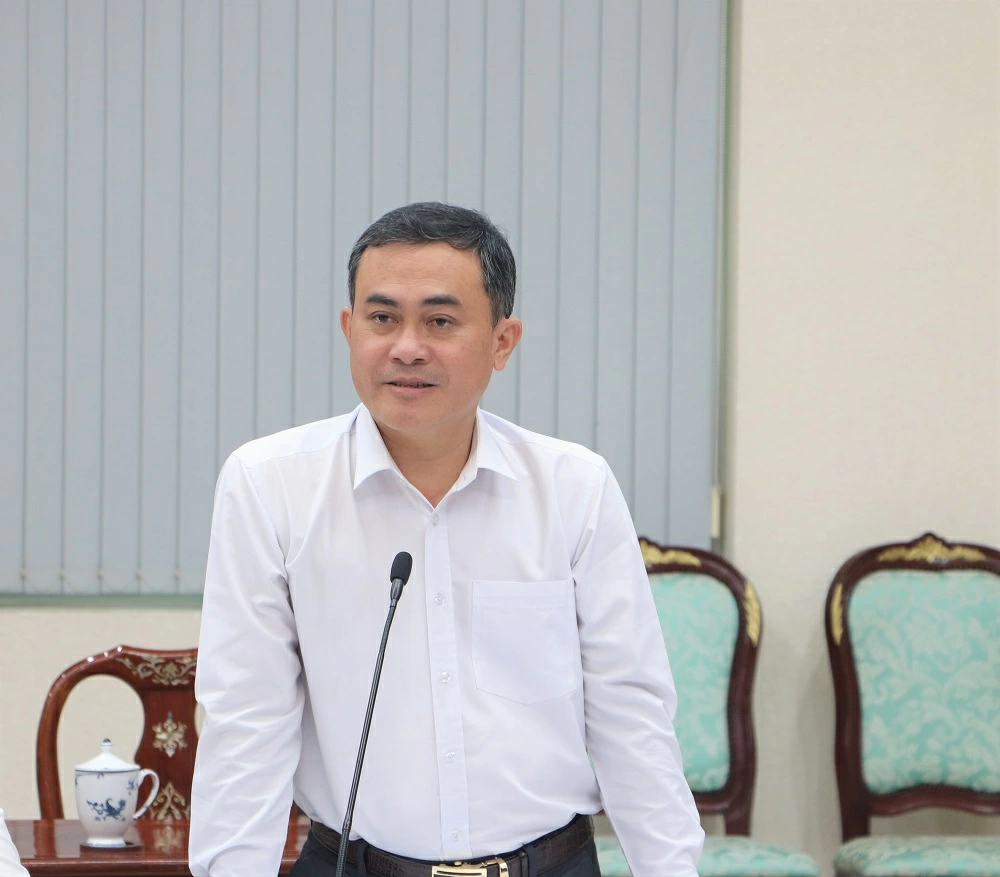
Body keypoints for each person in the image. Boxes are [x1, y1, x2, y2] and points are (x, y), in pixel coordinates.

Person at [189, 202, 704, 877]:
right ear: (348, 330)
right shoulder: (269, 486)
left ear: (502, 341)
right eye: (381, 318)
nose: (407, 346)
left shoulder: (574, 488)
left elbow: (630, 715)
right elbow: (245, 726)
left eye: (439, 320)